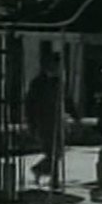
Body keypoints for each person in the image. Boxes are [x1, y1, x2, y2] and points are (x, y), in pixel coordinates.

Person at [25, 53, 78, 189]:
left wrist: (75, 116)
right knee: (52, 152)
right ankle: (44, 172)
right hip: (43, 121)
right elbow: (30, 104)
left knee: (58, 152)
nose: (56, 68)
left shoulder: (59, 82)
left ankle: (49, 176)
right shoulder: (37, 83)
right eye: (54, 65)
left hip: (57, 120)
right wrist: (31, 123)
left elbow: (67, 100)